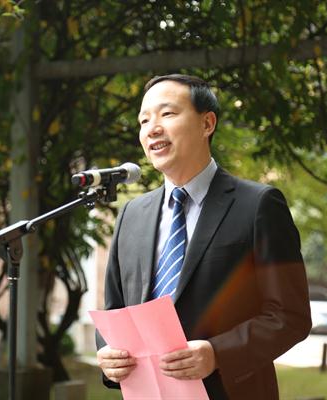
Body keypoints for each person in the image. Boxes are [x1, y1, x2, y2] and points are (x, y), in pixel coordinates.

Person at [96, 74, 311, 400]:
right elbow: (115, 314)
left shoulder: (258, 205)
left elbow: (290, 316)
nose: (152, 128)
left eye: (167, 114)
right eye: (144, 120)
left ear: (207, 123)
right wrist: (108, 354)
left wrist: (217, 354)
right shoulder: (131, 215)